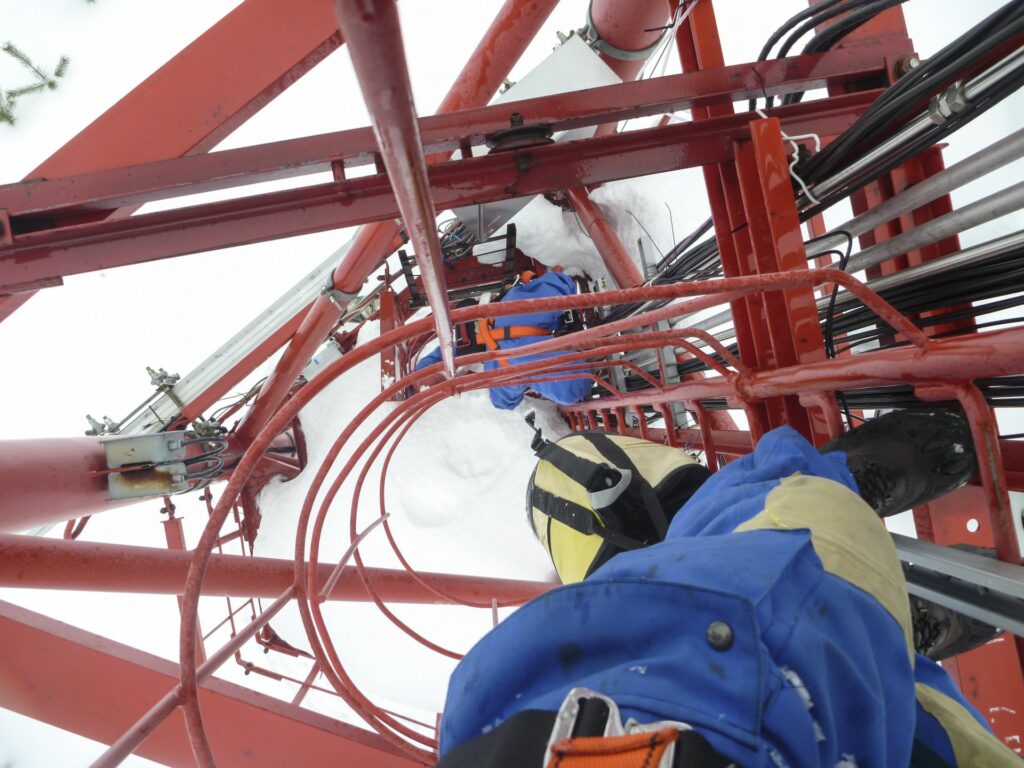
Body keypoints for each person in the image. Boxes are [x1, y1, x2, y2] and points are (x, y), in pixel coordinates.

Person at [438, 412, 1020, 766]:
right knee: (923, 727)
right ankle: (885, 639)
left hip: (623, 715)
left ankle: (837, 510)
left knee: (779, 588)